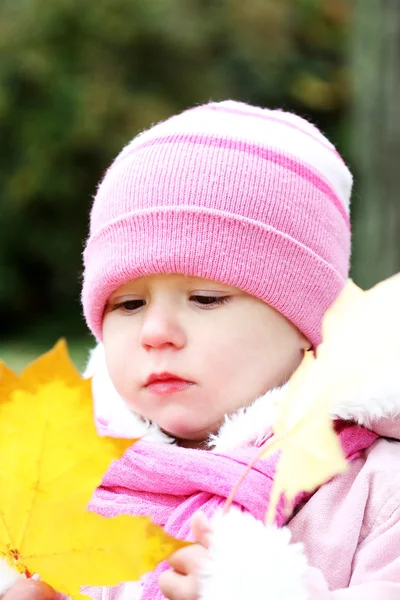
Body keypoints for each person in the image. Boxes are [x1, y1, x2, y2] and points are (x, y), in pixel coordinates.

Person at [3, 100, 400, 600]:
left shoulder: (377, 493)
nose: (156, 331)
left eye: (205, 298)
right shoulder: (45, 483)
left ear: (308, 321)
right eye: (128, 304)